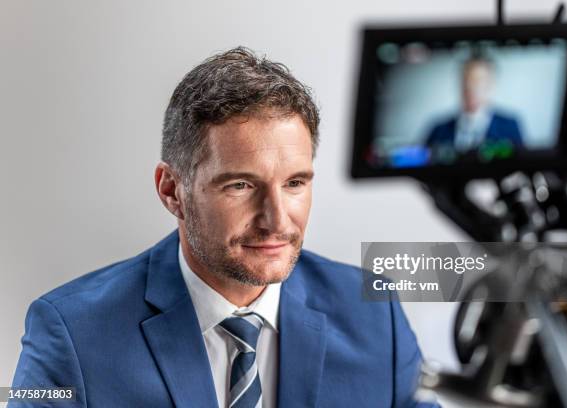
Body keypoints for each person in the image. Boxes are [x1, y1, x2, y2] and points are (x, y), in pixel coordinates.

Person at [9, 48, 435, 407]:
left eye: (295, 184)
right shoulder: (71, 330)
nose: (276, 220)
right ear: (172, 189)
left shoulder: (376, 315)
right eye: (241, 185)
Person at [425, 55, 523, 155]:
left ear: (491, 84)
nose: (470, 87)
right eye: (465, 80)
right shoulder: (439, 130)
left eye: (477, 81)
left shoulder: (509, 127)